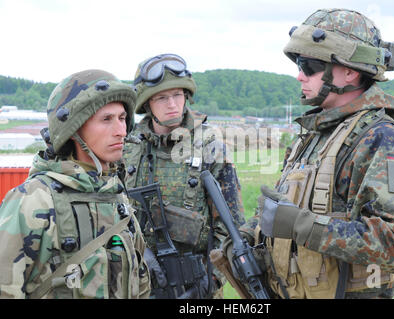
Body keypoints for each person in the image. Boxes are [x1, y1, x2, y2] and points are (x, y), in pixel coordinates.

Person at [235, 8, 394, 299]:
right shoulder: (314, 134)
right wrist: (249, 235)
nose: (299, 75)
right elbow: (287, 209)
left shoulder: (380, 137)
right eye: (298, 63)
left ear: (349, 71)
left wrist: (304, 227)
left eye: (309, 65)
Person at [0, 69, 150, 299]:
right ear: (73, 129)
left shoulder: (118, 198)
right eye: (106, 119)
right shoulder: (32, 200)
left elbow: (140, 284)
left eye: (122, 118)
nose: (121, 131)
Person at [123, 53, 245, 298]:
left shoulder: (210, 146)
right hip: (137, 280)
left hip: (195, 283)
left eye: (178, 95)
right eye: (162, 97)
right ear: (147, 103)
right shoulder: (127, 146)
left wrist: (212, 279)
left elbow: (232, 227)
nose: (172, 104)